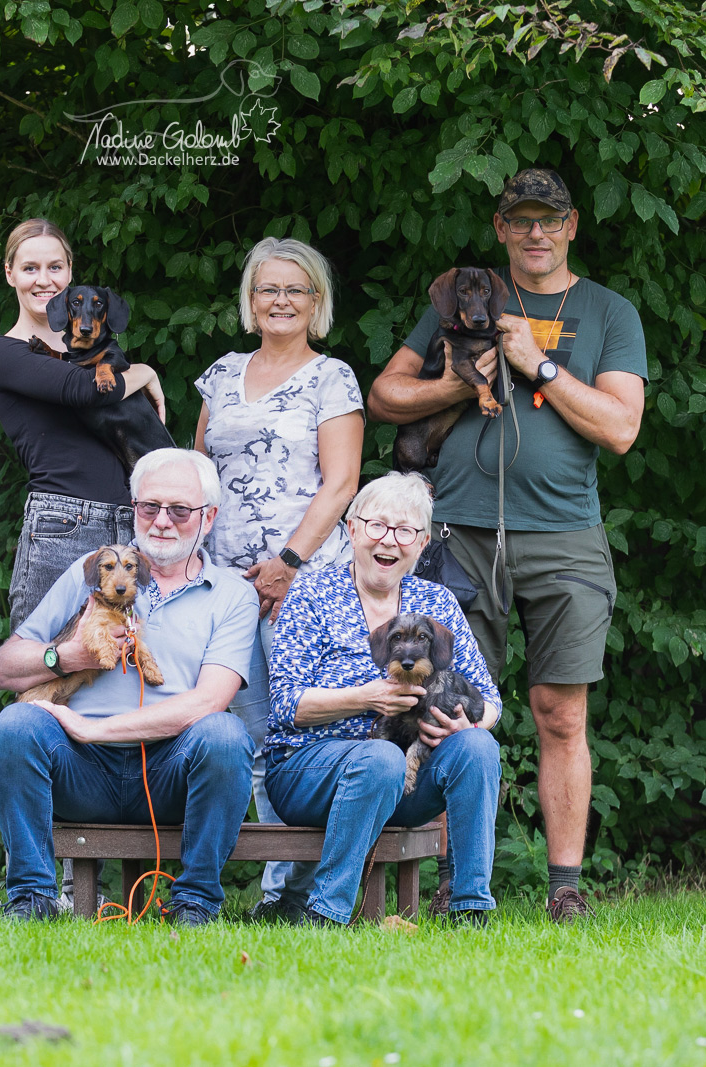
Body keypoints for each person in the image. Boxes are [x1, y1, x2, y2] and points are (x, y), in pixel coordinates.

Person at [367, 168, 647, 921]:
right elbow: (385, 395)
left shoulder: (606, 311)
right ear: (499, 228)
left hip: (564, 540)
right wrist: (462, 386)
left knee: (559, 712)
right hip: (457, 533)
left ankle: (564, 888)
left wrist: (538, 366)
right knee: (442, 703)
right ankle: (456, 888)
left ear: (570, 226)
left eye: (546, 220)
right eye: (518, 220)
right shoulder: (466, 292)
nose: (533, 233)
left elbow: (621, 427)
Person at [0, 448, 257, 925]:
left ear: (209, 517)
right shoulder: (88, 574)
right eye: (149, 508)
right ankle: (32, 898)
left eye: (179, 510)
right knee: (15, 725)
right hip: (80, 769)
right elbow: (3, 669)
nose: (162, 523)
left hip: (169, 769)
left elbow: (211, 701)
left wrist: (95, 729)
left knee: (226, 736)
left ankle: (195, 902)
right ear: (133, 510)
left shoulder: (233, 595)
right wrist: (65, 656)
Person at [194, 236, 363, 921]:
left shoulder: (332, 377)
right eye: (269, 289)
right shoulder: (219, 373)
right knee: (245, 728)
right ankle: (271, 889)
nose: (281, 301)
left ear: (315, 303)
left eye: (296, 290)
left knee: (298, 732)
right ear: (250, 299)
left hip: (304, 579)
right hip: (224, 581)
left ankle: (293, 889)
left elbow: (342, 480)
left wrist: (286, 564)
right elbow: (197, 470)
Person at [265, 471, 502, 926]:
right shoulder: (312, 595)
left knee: (478, 748)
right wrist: (365, 698)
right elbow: (286, 706)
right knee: (379, 759)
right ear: (352, 529)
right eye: (376, 525)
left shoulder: (437, 601)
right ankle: (326, 913)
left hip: (410, 778)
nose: (388, 541)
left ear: (422, 543)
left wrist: (469, 724)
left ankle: (471, 908)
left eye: (405, 531)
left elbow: (491, 699)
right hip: (309, 771)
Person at [0, 218, 166, 631]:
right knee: (42, 663)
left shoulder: (91, 353)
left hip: (132, 528)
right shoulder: (0, 353)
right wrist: (146, 372)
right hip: (63, 525)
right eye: (30, 268)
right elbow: (84, 391)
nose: (43, 280)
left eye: (55, 267)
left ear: (70, 275)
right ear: (9, 273)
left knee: (124, 673)